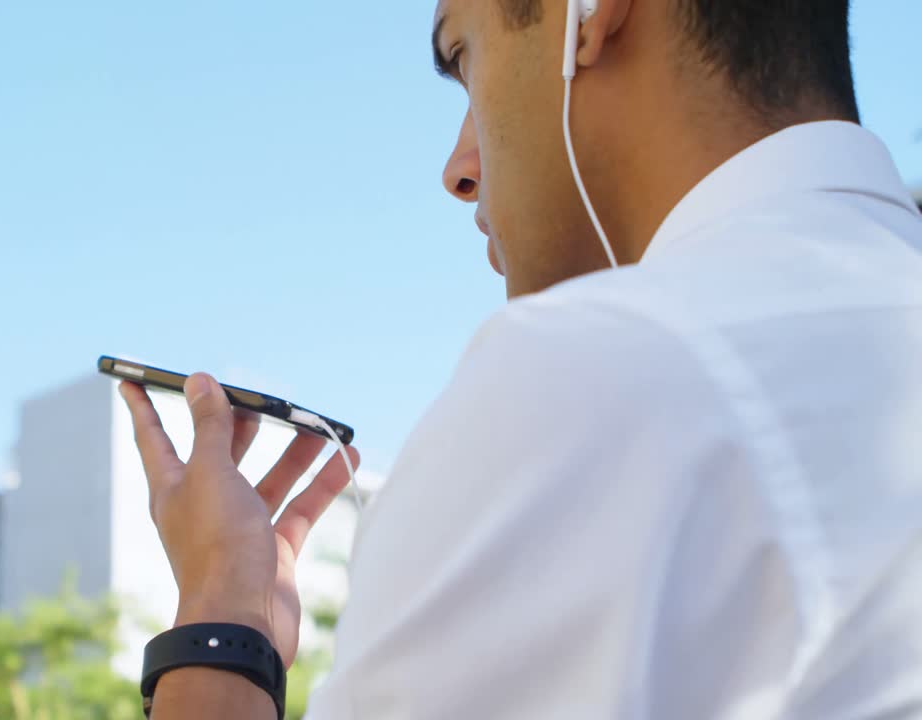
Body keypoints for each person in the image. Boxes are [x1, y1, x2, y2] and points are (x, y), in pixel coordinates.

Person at [119, 0, 922, 717]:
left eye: (465, 55)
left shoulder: (593, 375)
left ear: (591, 14)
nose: (459, 170)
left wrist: (222, 616)